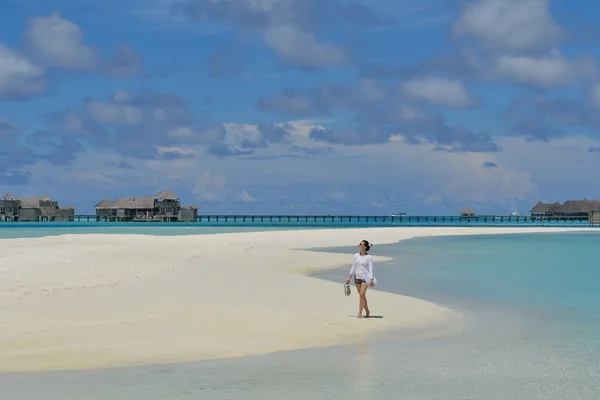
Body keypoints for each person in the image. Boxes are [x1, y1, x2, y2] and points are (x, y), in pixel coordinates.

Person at [345, 240, 374, 318]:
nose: (359, 245)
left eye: (360, 244)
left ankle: (360, 313)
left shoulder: (369, 257)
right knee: (362, 296)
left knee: (361, 294)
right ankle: (367, 310)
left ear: (364, 247)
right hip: (357, 278)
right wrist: (349, 278)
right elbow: (353, 267)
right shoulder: (355, 256)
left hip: (365, 278)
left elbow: (370, 269)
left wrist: (371, 279)